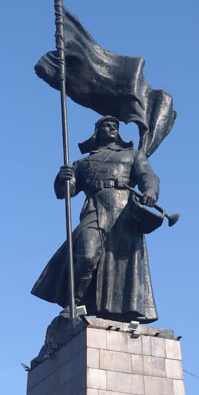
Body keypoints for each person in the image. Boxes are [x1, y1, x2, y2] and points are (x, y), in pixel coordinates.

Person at [32, 116, 161, 322]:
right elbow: (67, 192)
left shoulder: (133, 155)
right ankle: (75, 302)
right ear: (97, 131)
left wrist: (150, 192)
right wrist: (62, 179)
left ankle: (119, 313)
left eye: (115, 125)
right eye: (106, 125)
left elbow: (149, 177)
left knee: (121, 262)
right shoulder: (82, 163)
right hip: (95, 208)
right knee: (87, 255)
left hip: (124, 212)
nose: (112, 127)